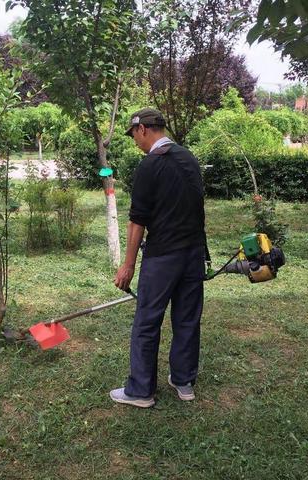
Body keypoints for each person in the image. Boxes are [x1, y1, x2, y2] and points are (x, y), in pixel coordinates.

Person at [110, 108, 207, 408]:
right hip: (193, 253)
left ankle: (140, 391)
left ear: (142, 130)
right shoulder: (189, 158)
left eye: (134, 135)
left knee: (147, 321)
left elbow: (137, 220)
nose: (135, 142)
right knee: (187, 318)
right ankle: (183, 381)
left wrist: (127, 265)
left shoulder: (150, 165)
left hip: (163, 256)